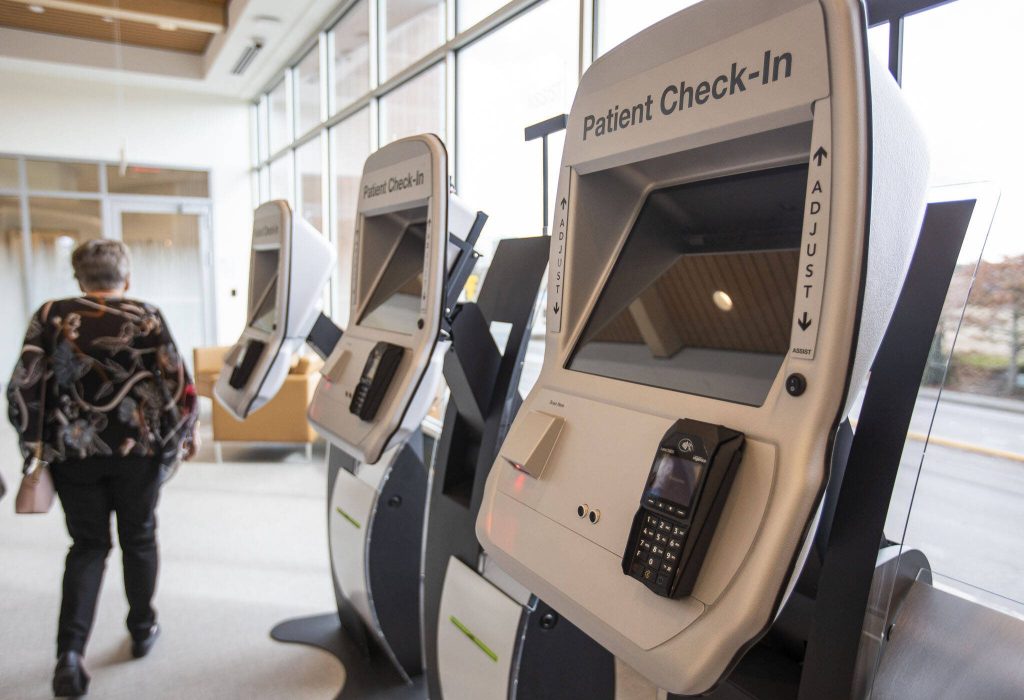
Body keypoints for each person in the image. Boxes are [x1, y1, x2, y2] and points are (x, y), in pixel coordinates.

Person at [7, 239, 199, 697]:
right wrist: (183, 435)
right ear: (126, 278)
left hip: (74, 455)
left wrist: (32, 444)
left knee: (87, 547)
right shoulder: (146, 316)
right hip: (138, 452)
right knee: (139, 538)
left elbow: (21, 387)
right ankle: (142, 628)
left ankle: (70, 655)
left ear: (79, 278)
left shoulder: (52, 315)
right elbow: (179, 385)